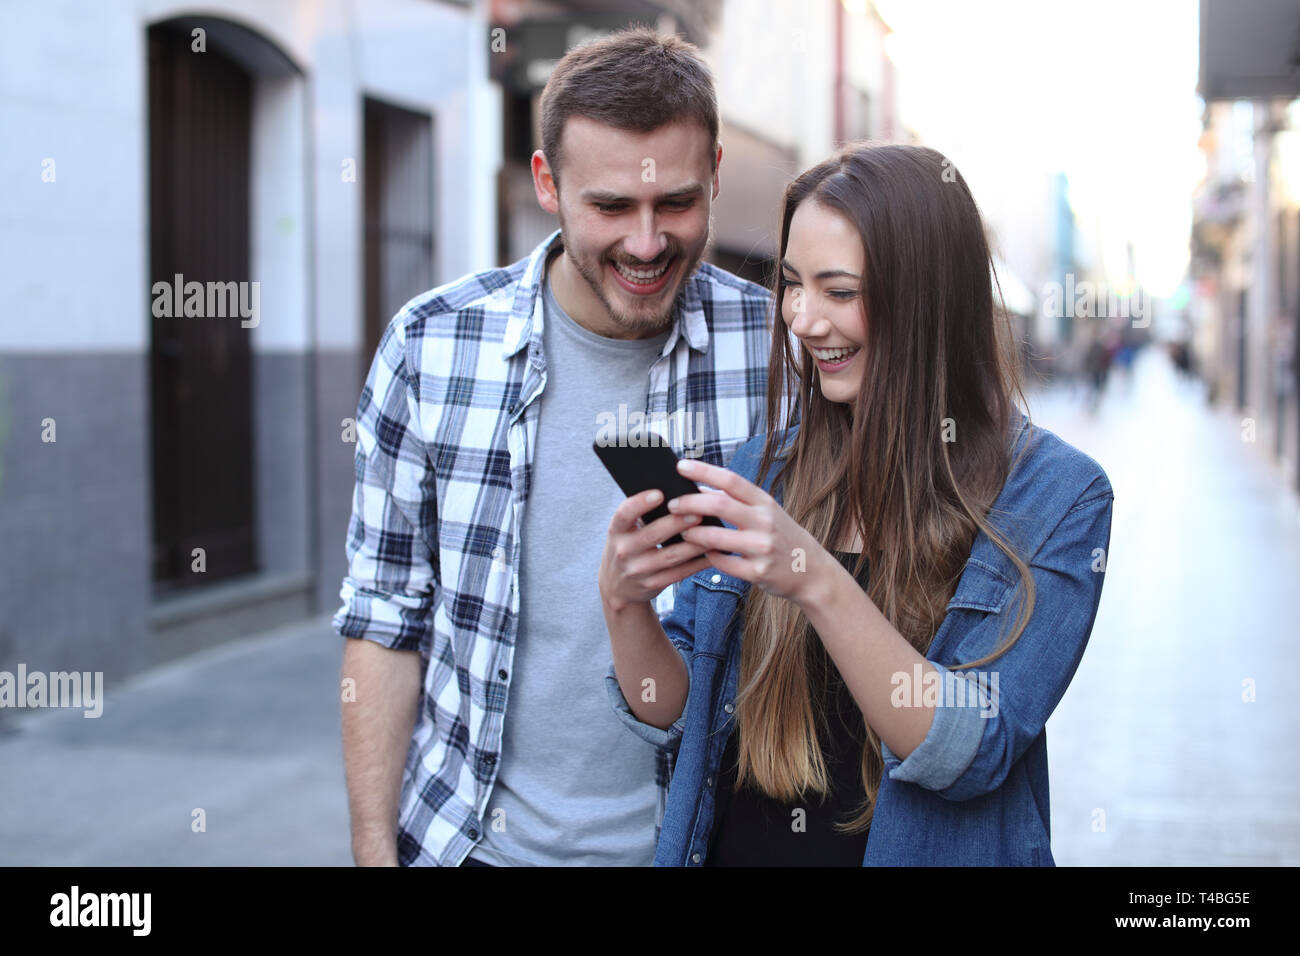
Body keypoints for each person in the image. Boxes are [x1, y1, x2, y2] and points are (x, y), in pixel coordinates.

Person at [600, 142, 1114, 866]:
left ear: (927, 300)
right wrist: (625, 606)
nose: (803, 321)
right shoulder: (766, 468)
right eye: (791, 285)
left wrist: (815, 578)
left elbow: (970, 750)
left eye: (839, 292)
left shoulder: (1059, 497)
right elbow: (677, 711)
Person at [333, 27, 775, 867]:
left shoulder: (775, 353)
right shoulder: (431, 346)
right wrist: (371, 855)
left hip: (697, 846)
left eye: (676, 203)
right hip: (467, 847)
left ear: (715, 178)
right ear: (547, 183)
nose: (646, 244)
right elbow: (384, 618)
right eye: (610, 206)